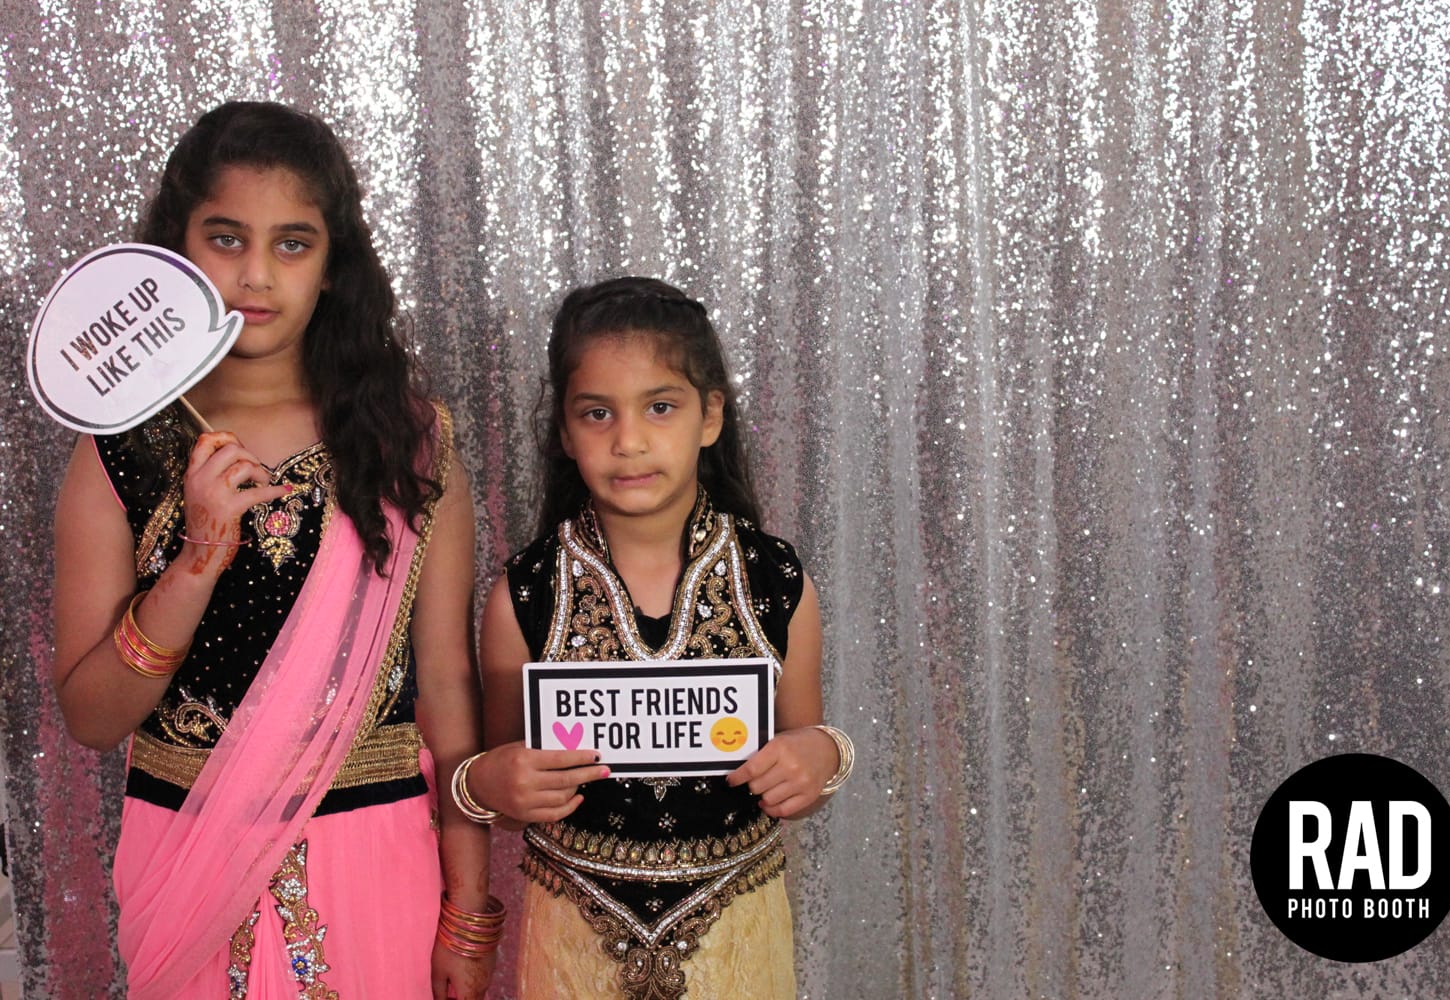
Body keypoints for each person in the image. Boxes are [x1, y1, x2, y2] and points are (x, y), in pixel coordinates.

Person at [51, 102, 497, 999]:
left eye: (292, 244)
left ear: (333, 267)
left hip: (378, 857)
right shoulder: (120, 449)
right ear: (175, 252)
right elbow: (93, 718)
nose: (256, 274)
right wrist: (198, 557)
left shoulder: (410, 444)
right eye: (225, 238)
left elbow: (448, 690)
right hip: (186, 856)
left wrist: (469, 908)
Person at [460, 276, 856, 998]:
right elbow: (503, 781)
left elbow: (804, 758)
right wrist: (489, 782)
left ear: (711, 416)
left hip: (737, 945)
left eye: (660, 407)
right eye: (597, 413)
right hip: (572, 949)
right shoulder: (524, 594)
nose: (629, 441)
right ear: (564, 432)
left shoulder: (774, 580)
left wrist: (822, 758)